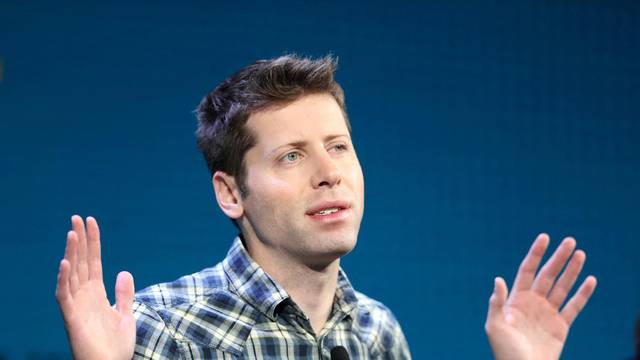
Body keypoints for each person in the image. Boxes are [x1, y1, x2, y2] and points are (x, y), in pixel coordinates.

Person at [55, 55, 597, 359]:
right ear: (230, 193)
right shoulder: (159, 328)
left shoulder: (377, 333)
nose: (329, 173)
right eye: (292, 156)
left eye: (338, 146)